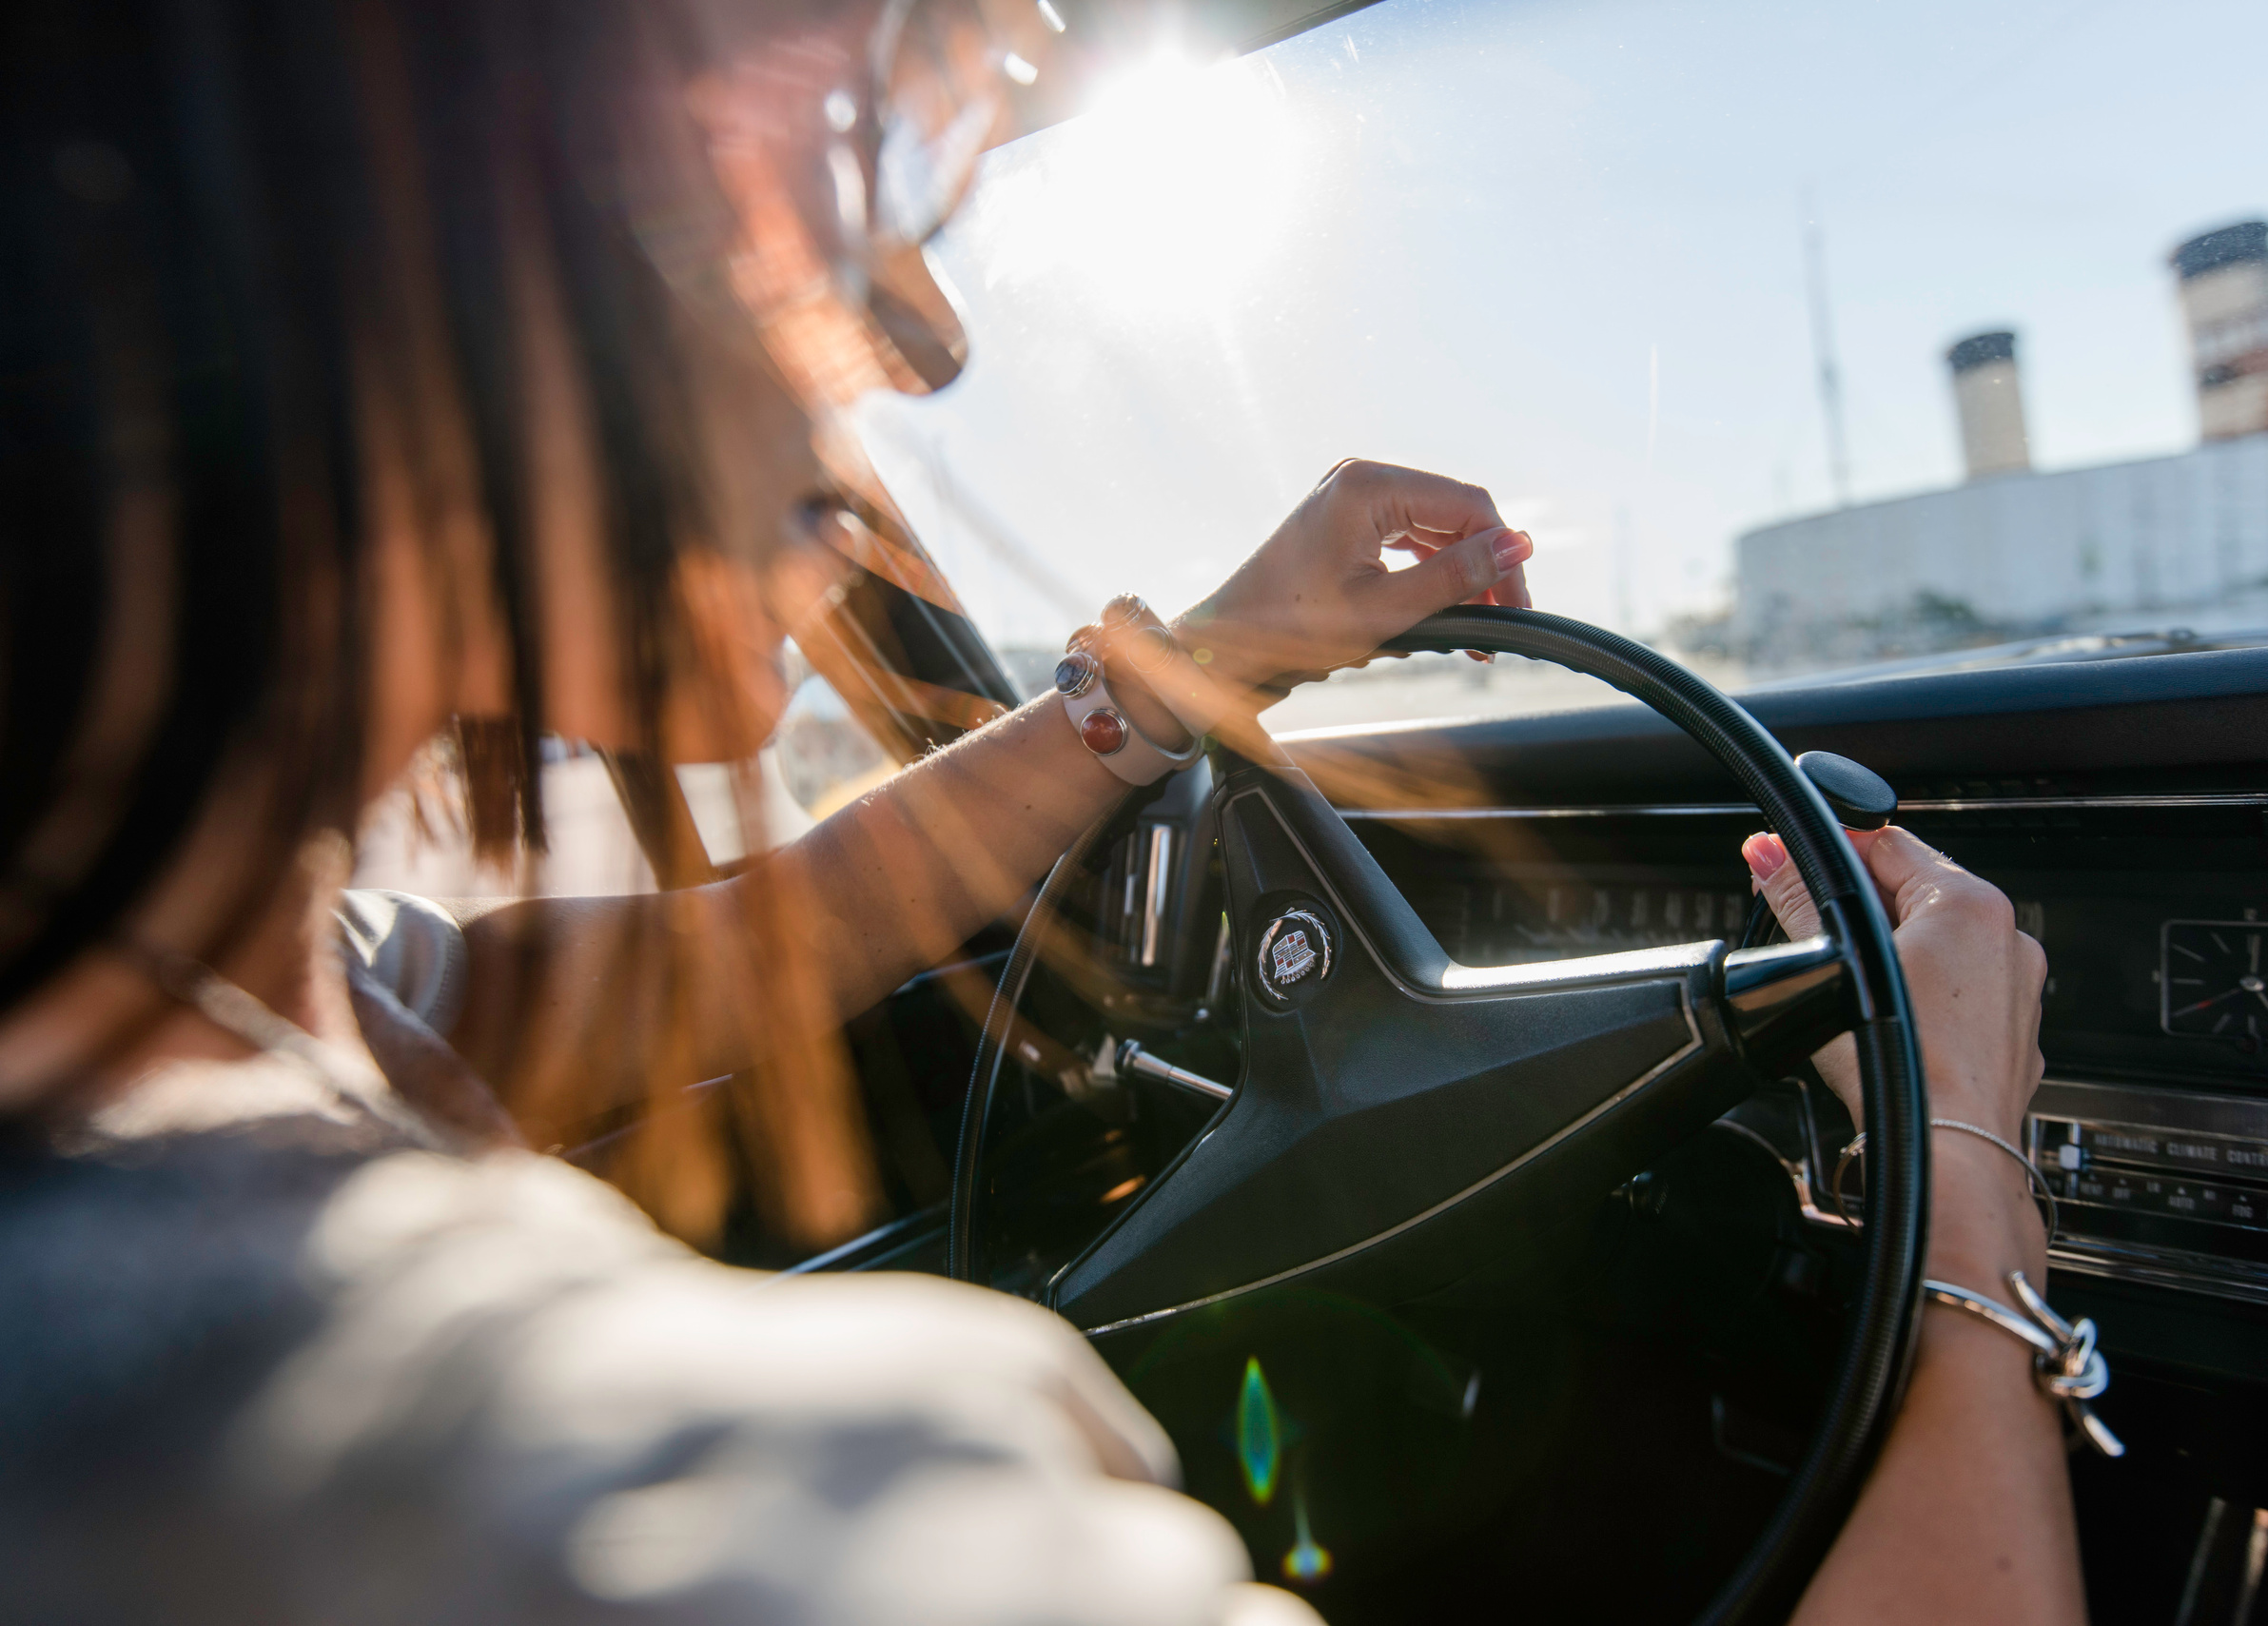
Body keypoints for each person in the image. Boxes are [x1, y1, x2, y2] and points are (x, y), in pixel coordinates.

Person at [0, 0, 2081, 1620]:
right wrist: (1961, 1181)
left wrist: (1195, 665)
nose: (921, 335)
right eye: (854, 157)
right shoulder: (710, 1516)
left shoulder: (209, 1015)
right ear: (375, 211)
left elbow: (736, 955)